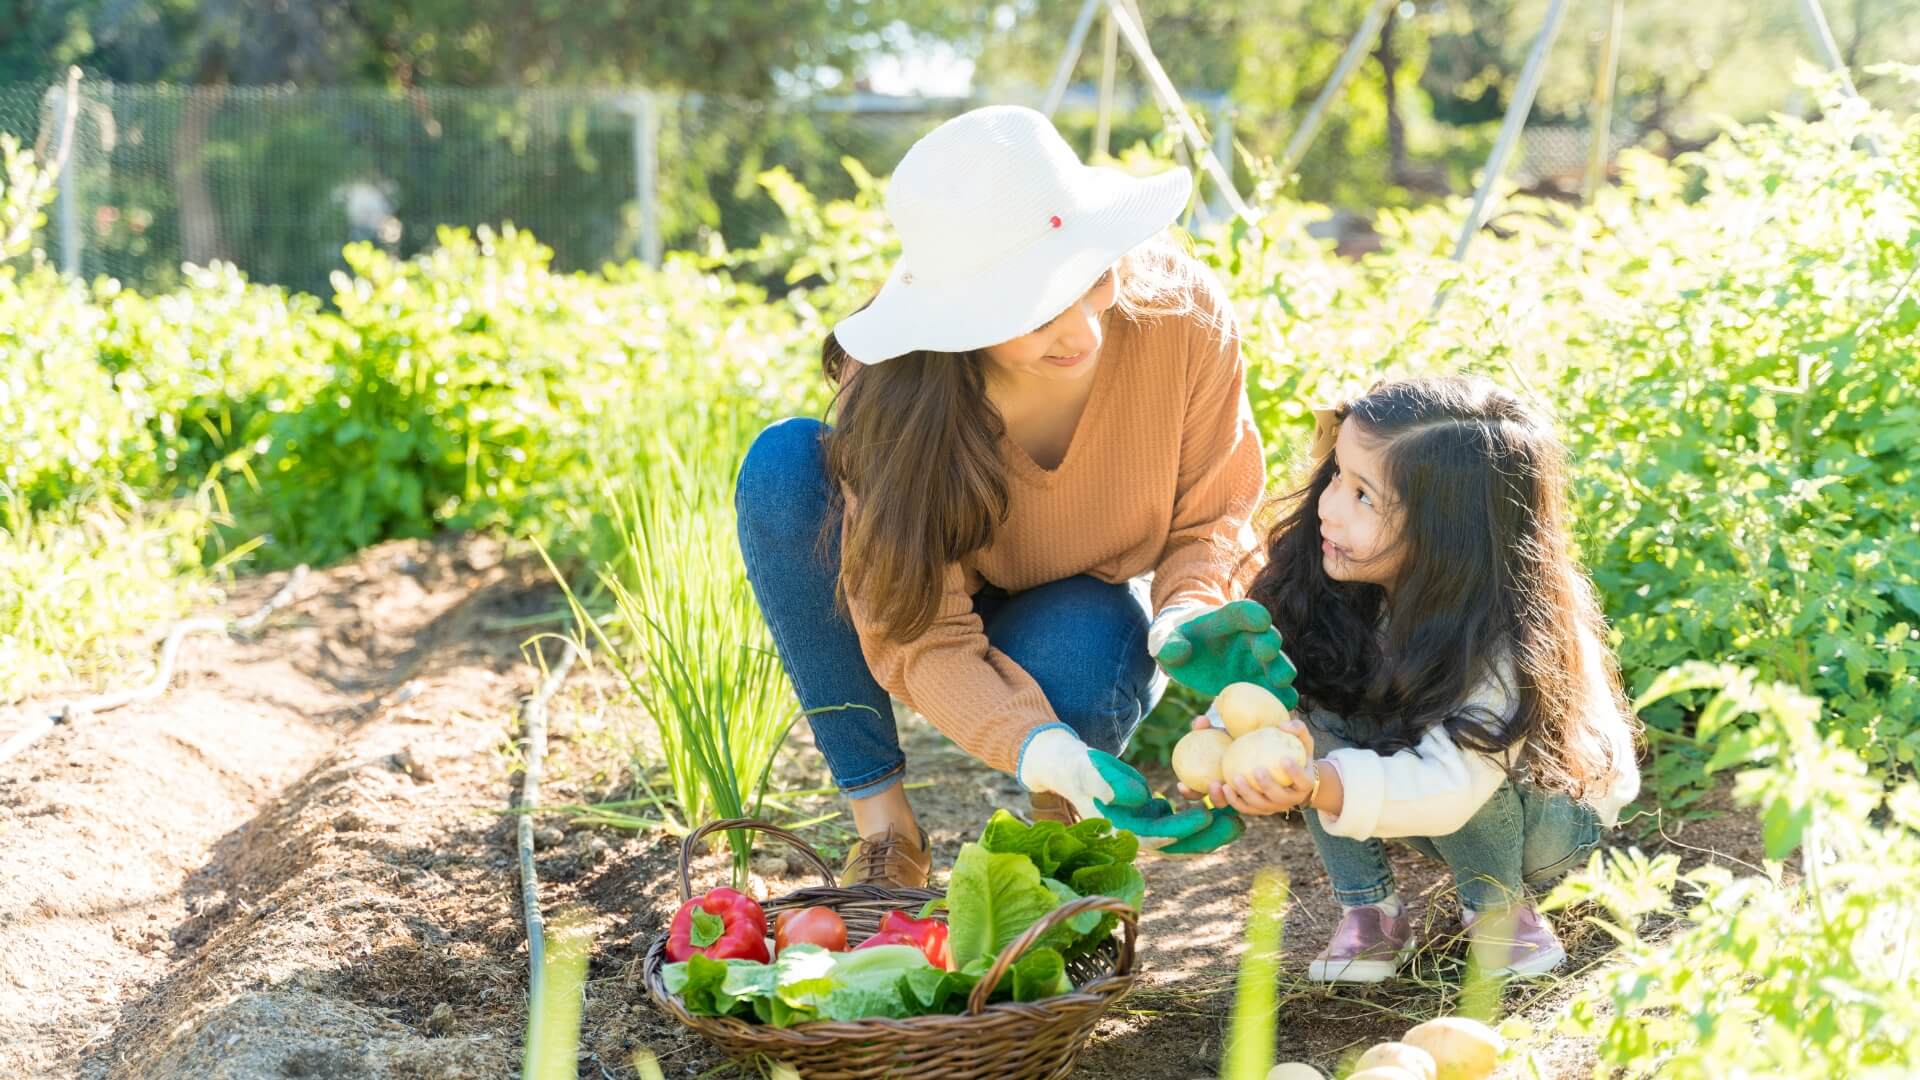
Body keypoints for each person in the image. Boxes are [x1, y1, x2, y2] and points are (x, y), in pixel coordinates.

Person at [734, 105, 1290, 888]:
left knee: (1086, 656)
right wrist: (1038, 744)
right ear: (962, 317)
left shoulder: (1181, 319)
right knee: (784, 467)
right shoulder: (900, 393)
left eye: (1091, 278)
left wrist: (1189, 615)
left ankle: (1068, 824)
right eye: (1032, 308)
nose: (1080, 332)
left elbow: (1214, 515)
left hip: (1077, 602)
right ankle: (888, 832)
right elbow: (920, 629)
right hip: (917, 605)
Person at [1176, 375, 1642, 980]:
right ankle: (1369, 914)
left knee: (1464, 743)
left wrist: (1314, 784)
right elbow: (1285, 697)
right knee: (1306, 717)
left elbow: (1455, 786)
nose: (1329, 505)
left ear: (1447, 534)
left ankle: (1500, 911)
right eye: (1337, 475)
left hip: (1544, 818)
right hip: (1429, 790)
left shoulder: (1504, 638)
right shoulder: (1345, 585)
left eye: (1364, 496)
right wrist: (1233, 740)